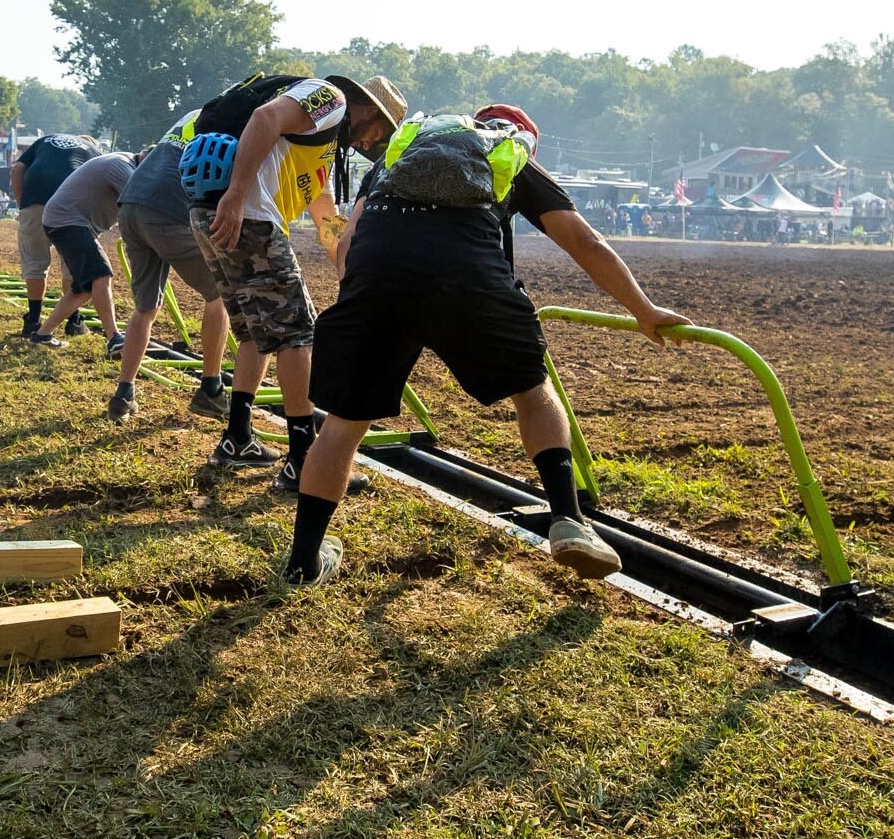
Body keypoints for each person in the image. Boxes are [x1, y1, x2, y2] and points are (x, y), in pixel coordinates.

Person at [284, 105, 690, 587]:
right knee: (531, 389)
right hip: (468, 270)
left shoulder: (402, 149)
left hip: (377, 271)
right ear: (525, 140)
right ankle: (569, 521)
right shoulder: (508, 152)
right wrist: (643, 310)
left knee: (344, 426)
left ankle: (302, 564)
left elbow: (348, 241)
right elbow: (584, 242)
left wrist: (371, 297)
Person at [186, 71, 405, 490]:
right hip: (245, 214)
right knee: (299, 336)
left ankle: (237, 438)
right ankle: (303, 457)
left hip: (218, 215)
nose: (370, 145)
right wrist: (235, 195)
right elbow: (266, 118)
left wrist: (349, 270)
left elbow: (325, 215)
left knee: (254, 330)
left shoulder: (321, 146)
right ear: (370, 109)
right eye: (379, 133)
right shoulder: (331, 98)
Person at [108, 109, 233, 422]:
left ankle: (124, 393)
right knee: (221, 292)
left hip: (131, 205)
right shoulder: (232, 121)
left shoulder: (194, 116)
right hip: (167, 209)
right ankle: (211, 388)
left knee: (146, 307)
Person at [29, 150, 133, 354]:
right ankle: (114, 338)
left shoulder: (124, 162)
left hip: (66, 222)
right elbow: (142, 202)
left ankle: (43, 334)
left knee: (84, 289)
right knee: (101, 274)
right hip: (69, 222)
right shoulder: (123, 167)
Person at [9, 132, 104, 336]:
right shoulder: (96, 153)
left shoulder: (46, 140)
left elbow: (17, 168)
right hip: (70, 207)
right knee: (72, 267)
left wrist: (22, 204)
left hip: (34, 201)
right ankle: (74, 320)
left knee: (35, 264)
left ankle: (33, 320)